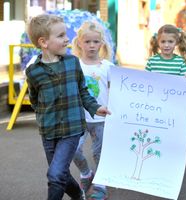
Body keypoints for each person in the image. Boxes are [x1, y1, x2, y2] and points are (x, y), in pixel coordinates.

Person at [25, 14, 111, 200]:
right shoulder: (33, 71)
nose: (67, 39)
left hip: (72, 130)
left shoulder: (72, 63)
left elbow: (83, 92)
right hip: (48, 131)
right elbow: (34, 99)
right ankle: (78, 195)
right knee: (61, 175)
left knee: (55, 176)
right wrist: (44, 115)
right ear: (44, 42)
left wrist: (95, 107)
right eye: (61, 35)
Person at [72, 20, 114, 200]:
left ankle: (101, 184)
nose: (91, 45)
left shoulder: (108, 67)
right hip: (78, 119)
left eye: (95, 42)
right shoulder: (74, 65)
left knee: (99, 154)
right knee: (73, 150)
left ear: (102, 43)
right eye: (87, 41)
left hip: (101, 119)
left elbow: (117, 91)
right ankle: (86, 173)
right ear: (79, 42)